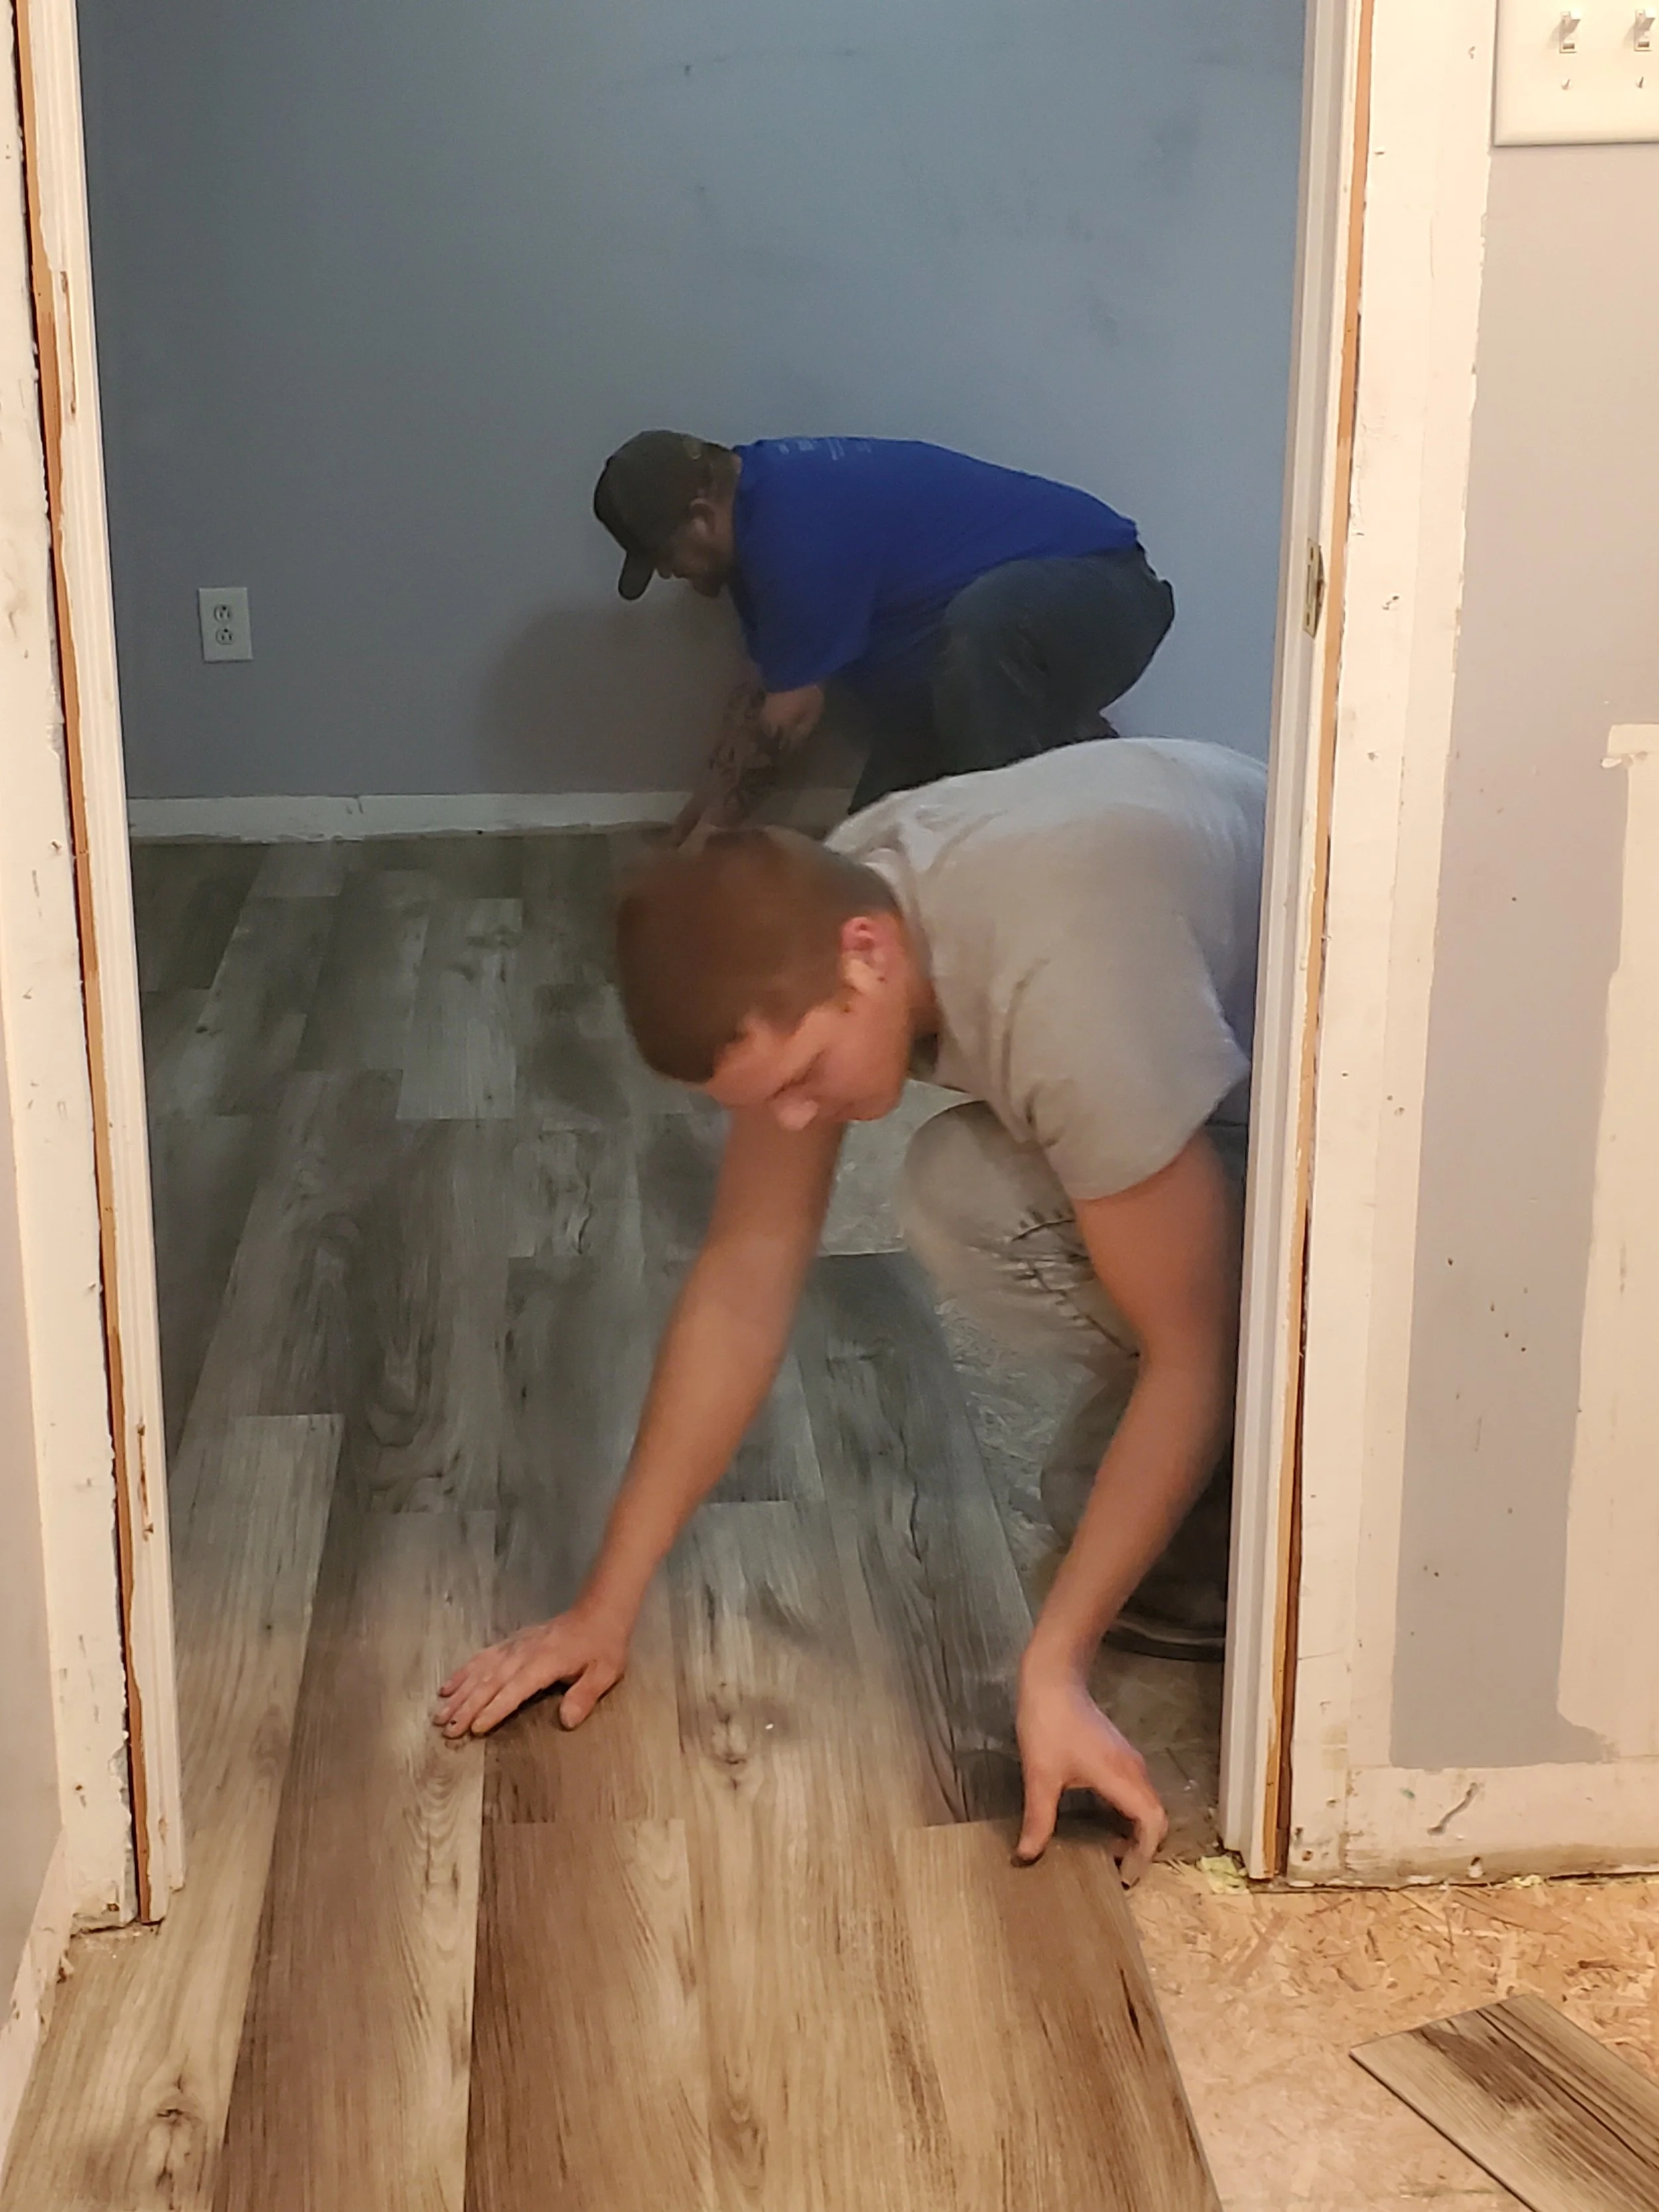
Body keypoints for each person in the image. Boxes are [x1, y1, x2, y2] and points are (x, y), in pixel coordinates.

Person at [437, 735, 1265, 1878]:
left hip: (1347, 1068)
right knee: (981, 1185)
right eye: (758, 1099)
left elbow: (1193, 1350)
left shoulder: (1065, 992)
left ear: (865, 955)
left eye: (801, 1078)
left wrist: (1054, 1664)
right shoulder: (832, 903)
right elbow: (744, 1271)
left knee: (983, 1201)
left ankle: (1248, 1501)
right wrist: (603, 1604)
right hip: (1185, 962)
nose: (793, 1123)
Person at [592, 431, 1175, 836]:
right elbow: (758, 698)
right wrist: (689, 829)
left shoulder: (796, 533)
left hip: (1107, 592)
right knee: (869, 851)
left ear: (700, 515)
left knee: (984, 624)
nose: (670, 574)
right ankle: (1069, 748)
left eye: (666, 556)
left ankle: (1015, 857)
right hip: (987, 661)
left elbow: (789, 718)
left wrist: (703, 854)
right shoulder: (759, 517)